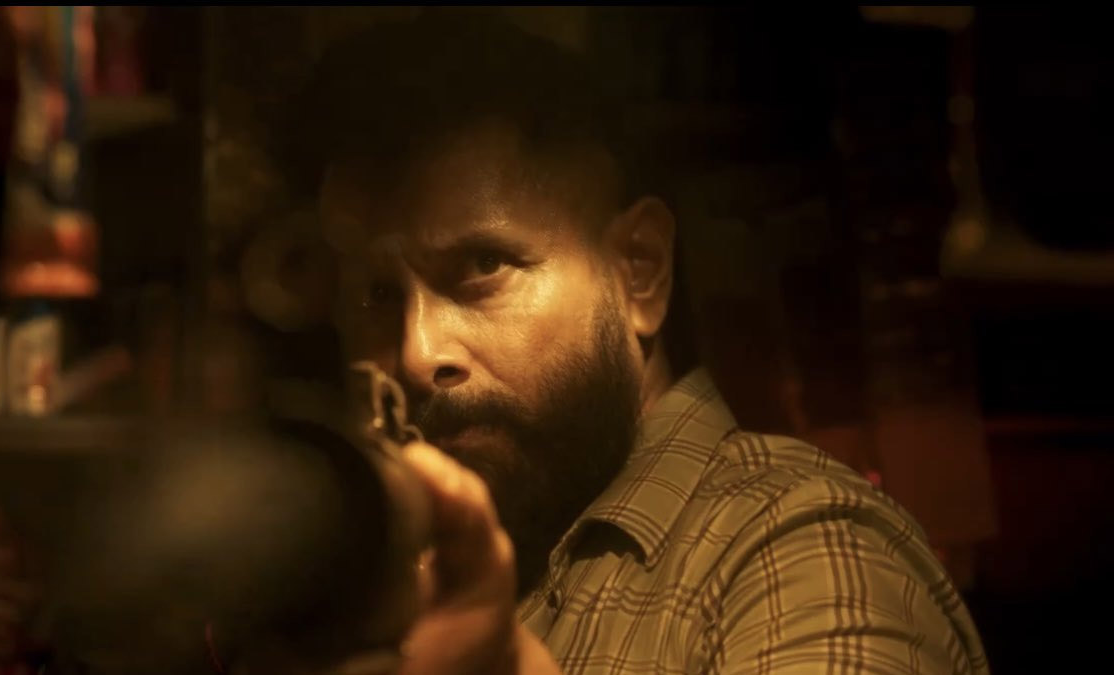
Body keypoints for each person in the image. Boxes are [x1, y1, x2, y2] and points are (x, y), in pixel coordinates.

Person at [289, 11, 991, 675]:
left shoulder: (803, 546)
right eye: (377, 294)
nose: (417, 354)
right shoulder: (388, 570)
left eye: (483, 265)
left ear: (639, 269)